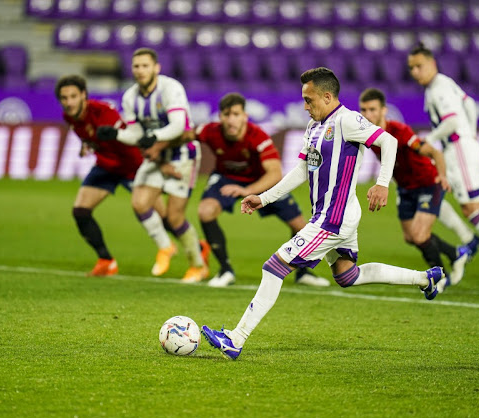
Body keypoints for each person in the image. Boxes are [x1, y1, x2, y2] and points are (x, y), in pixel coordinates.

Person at [201, 68, 444, 360]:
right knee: (347, 275)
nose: (305, 106)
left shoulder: (348, 120)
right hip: (332, 215)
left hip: (334, 218)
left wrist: (382, 184)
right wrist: (263, 199)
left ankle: (235, 339)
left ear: (327, 96)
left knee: (274, 266)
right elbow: (301, 170)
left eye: (309, 99)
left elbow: (389, 142)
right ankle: (424, 279)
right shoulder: (313, 127)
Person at [408, 43, 479, 278]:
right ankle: (469, 239)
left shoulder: (438, 88)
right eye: (412, 68)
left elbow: (450, 122)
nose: (415, 72)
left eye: (419, 66)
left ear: (432, 64)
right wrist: (470, 131)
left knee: (471, 208)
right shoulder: (442, 83)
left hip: (459, 150)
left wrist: (430, 139)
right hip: (459, 147)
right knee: (430, 189)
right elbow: (469, 103)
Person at [193, 92, 330, 288]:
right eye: (226, 114)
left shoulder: (257, 136)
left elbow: (274, 173)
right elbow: (185, 134)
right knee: (205, 211)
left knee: (301, 227)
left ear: (244, 116)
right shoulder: (210, 131)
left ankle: (302, 272)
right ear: (220, 117)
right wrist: (159, 150)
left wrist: (248, 190)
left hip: (261, 182)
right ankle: (225, 270)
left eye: (236, 114)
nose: (231, 119)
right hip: (226, 179)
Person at [97, 47, 208, 282]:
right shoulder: (130, 97)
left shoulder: (171, 88)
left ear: (156, 68)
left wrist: (153, 138)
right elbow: (136, 134)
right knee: (139, 202)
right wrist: (116, 135)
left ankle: (198, 265)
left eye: (145, 66)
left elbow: (179, 126)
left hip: (182, 155)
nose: (140, 71)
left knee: (175, 217)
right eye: (136, 66)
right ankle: (165, 246)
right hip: (156, 155)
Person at [359, 87, 476, 291]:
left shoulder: (400, 132)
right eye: (364, 110)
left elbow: (434, 152)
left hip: (427, 184)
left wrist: (442, 175)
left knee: (420, 236)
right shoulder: (367, 134)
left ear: (383, 110)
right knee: (410, 237)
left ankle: (439, 276)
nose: (368, 114)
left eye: (372, 109)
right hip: (405, 189)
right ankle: (456, 254)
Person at [56, 74, 154, 277]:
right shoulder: (69, 116)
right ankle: (106, 260)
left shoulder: (103, 111)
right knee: (81, 211)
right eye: (64, 98)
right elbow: (92, 136)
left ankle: (197, 249)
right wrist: (87, 144)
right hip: (107, 166)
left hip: (131, 166)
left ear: (84, 95)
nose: (69, 102)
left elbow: (123, 138)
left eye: (73, 96)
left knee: (162, 216)